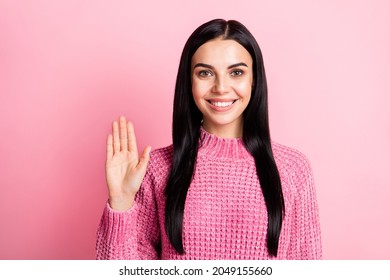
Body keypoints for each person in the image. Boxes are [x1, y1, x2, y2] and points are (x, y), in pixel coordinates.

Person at [96, 19, 322, 260]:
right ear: (189, 82)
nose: (221, 87)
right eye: (205, 73)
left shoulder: (293, 169)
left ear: (254, 80)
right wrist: (120, 203)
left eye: (236, 72)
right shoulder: (156, 168)